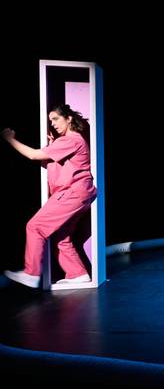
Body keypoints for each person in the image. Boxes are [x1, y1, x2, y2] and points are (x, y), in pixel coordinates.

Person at [3, 104, 97, 288]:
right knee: (61, 236)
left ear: (68, 118)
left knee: (35, 227)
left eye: (56, 119)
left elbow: (33, 155)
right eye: (50, 120)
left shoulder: (70, 140)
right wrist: (52, 145)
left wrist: (9, 139)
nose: (52, 123)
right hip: (80, 193)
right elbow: (54, 164)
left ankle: (31, 273)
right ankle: (78, 274)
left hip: (72, 193)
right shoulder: (68, 141)